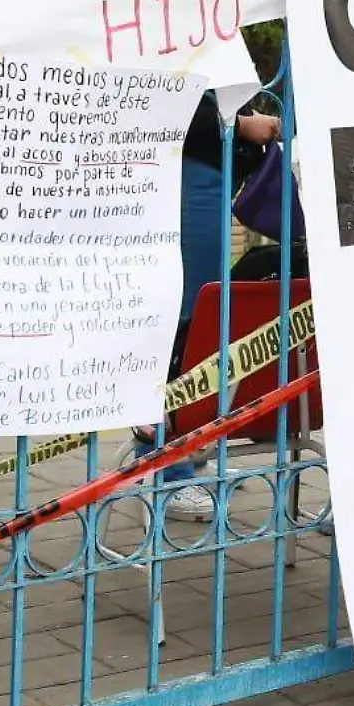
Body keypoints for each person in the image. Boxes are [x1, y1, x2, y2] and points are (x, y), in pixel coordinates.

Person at [135, 91, 282, 521]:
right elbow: (169, 100)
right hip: (186, 171)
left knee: (201, 315)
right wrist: (240, 125)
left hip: (204, 171)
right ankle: (168, 466)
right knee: (182, 319)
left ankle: (188, 450)